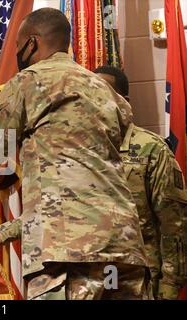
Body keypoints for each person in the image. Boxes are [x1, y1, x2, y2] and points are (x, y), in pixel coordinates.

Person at [0, 8, 149, 300]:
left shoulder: (27, 83)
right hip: (123, 251)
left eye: (19, 46)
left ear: (31, 43)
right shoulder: (105, 90)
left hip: (65, 255)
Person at [94, 65, 187, 299]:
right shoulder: (81, 151)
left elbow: (174, 227)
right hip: (91, 283)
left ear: (124, 101)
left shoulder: (151, 150)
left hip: (141, 284)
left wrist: (169, 288)